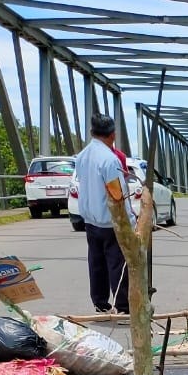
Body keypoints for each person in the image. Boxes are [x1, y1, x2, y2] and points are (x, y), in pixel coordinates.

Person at [75, 114, 133, 314]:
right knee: (118, 263)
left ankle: (100, 303)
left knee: (96, 262)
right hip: (109, 221)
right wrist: (131, 221)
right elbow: (117, 194)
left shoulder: (82, 156)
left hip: (90, 219)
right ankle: (123, 305)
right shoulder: (110, 159)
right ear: (113, 135)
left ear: (92, 133)